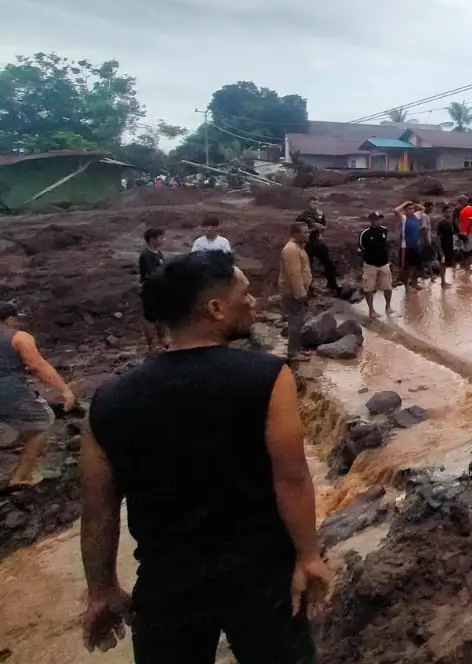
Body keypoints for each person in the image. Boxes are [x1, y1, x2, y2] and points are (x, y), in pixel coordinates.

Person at [81, 251, 332, 661]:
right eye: (245, 294)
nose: (254, 302)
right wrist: (308, 556)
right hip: (260, 577)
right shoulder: (268, 377)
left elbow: (97, 509)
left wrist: (101, 589)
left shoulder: (108, 401)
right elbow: (291, 477)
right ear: (215, 309)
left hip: (166, 586)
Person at [1, 302, 75, 487]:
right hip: (7, 390)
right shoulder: (19, 338)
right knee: (42, 423)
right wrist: (64, 389)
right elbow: (37, 366)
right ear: (10, 319)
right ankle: (22, 476)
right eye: (16, 319)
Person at [279, 222, 312, 359]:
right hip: (293, 292)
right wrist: (300, 294)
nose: (308, 234)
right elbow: (294, 274)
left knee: (299, 321)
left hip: (298, 291)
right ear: (295, 234)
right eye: (305, 232)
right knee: (295, 321)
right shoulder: (291, 250)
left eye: (307, 232)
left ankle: (297, 348)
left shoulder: (298, 248)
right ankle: (293, 352)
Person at [296, 197, 339, 294]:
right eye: (313, 203)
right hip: (307, 243)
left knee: (329, 264)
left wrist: (321, 229)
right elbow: (298, 230)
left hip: (318, 242)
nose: (315, 204)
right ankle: (308, 288)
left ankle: (332, 285)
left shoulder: (320, 214)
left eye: (316, 203)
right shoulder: (303, 216)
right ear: (309, 203)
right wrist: (313, 229)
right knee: (307, 267)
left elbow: (323, 227)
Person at [358, 211, 393, 319]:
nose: (377, 221)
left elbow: (388, 244)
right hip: (370, 264)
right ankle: (371, 311)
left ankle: (388, 307)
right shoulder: (365, 233)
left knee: (388, 287)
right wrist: (368, 258)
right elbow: (361, 248)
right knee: (369, 288)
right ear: (370, 220)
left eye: (379, 219)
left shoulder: (385, 230)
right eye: (374, 219)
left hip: (384, 263)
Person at [138, 228, 166, 352]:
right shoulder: (146, 255)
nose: (163, 240)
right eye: (160, 237)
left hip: (160, 290)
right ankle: (152, 346)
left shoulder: (158, 253)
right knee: (150, 318)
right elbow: (150, 274)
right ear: (152, 239)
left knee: (162, 316)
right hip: (150, 290)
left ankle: (163, 340)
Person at [395, 202, 425, 289]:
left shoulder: (417, 216)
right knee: (406, 268)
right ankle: (406, 287)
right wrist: (406, 203)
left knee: (416, 267)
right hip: (406, 247)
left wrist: (414, 204)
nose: (412, 210)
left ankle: (414, 284)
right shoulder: (404, 218)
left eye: (412, 208)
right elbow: (396, 210)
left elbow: (423, 208)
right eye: (409, 209)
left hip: (416, 246)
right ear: (405, 210)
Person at [436, 205, 457, 286]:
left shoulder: (451, 222)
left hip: (450, 247)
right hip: (443, 248)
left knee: (448, 263)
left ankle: (444, 281)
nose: (449, 213)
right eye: (447, 212)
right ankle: (443, 282)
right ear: (443, 213)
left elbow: (455, 235)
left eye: (450, 212)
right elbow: (438, 237)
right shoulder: (441, 223)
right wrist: (440, 250)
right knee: (443, 264)